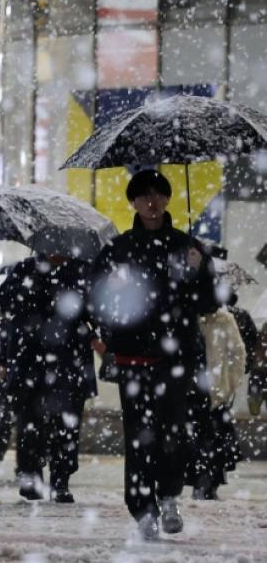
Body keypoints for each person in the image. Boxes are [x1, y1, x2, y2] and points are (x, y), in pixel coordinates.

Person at [88, 170, 217, 540]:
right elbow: (97, 304)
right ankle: (143, 508)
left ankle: (170, 496)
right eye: (143, 196)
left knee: (173, 432)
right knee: (140, 435)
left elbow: (206, 304)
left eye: (158, 194)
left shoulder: (186, 246)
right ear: (132, 202)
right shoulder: (119, 249)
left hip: (177, 358)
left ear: (167, 199)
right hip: (135, 357)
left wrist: (196, 272)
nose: (151, 201)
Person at [0, 253, 98, 503]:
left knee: (67, 425)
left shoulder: (81, 271)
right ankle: (31, 477)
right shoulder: (25, 268)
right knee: (31, 423)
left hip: (69, 360)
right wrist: (33, 291)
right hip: (31, 360)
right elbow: (4, 303)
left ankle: (61, 479)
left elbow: (96, 312)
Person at [185, 306, 245, 500]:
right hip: (192, 388)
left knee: (214, 437)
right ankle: (199, 481)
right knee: (198, 437)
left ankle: (210, 482)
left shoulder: (224, 320)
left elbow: (238, 353)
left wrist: (230, 384)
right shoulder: (187, 316)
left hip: (215, 390)